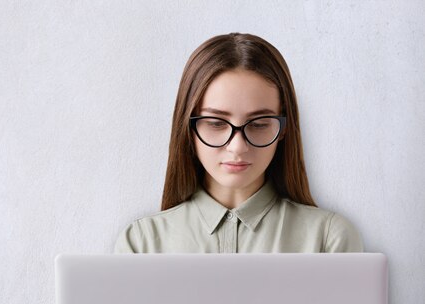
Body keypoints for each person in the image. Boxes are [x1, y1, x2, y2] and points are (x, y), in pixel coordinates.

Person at [115, 33, 363, 253]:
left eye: (259, 124)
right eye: (215, 123)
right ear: (188, 127)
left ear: (284, 128)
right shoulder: (141, 243)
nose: (237, 147)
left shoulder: (328, 239)